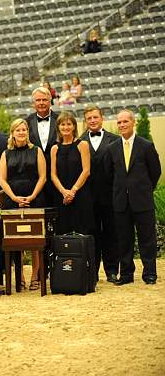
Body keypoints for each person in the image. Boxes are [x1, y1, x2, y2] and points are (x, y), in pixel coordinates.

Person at [106, 109, 161, 285]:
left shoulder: (145, 145)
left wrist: (144, 189)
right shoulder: (112, 148)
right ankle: (127, 274)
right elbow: (109, 175)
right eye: (119, 122)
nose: (122, 125)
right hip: (121, 202)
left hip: (142, 201)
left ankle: (150, 273)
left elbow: (155, 172)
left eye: (125, 122)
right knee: (124, 239)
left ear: (133, 122)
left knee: (147, 239)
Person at [0, 119, 46, 290]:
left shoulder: (37, 151)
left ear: (28, 132)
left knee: (35, 240)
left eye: (24, 129)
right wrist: (15, 198)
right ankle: (19, 276)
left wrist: (32, 196)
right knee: (15, 240)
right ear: (12, 133)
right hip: (12, 201)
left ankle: (36, 275)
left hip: (35, 198)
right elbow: (2, 180)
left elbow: (43, 176)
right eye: (18, 130)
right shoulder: (5, 154)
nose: (21, 132)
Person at [80, 106, 119, 283]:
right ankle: (92, 272)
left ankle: (112, 270)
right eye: (89, 118)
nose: (93, 120)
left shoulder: (115, 140)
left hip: (110, 196)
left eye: (95, 117)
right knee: (92, 234)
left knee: (111, 234)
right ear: (86, 121)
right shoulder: (79, 142)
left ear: (102, 118)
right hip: (88, 198)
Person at [50, 111, 93, 235]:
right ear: (58, 127)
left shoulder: (82, 145)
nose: (66, 127)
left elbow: (86, 171)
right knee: (63, 232)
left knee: (82, 231)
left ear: (74, 126)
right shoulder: (55, 148)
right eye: (62, 124)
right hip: (61, 196)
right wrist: (64, 192)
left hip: (80, 194)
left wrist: (73, 191)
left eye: (69, 124)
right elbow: (53, 174)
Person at [26, 87, 59, 206]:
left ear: (50, 101)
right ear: (33, 103)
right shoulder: (27, 122)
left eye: (44, 100)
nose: (41, 103)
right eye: (38, 100)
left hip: (58, 174)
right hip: (34, 176)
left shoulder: (60, 120)